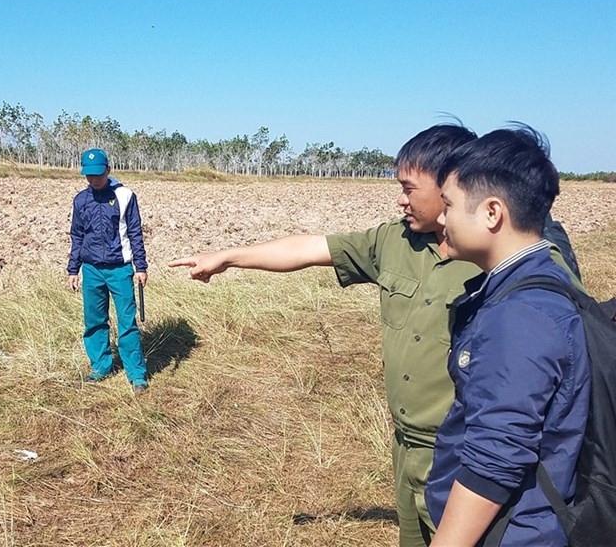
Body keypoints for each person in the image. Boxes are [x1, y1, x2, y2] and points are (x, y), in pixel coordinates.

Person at [169, 124, 581, 547]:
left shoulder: (510, 272)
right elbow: (307, 249)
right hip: (408, 448)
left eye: (409, 188)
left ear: (450, 186)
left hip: (465, 452)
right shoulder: (394, 240)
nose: (401, 199)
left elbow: (503, 445)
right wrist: (228, 257)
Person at [425, 125, 590, 546]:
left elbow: (494, 461)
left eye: (449, 205)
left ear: (492, 212)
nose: (441, 219)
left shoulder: (519, 315)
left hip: (512, 533)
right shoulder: (543, 281)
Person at [67, 148, 149, 394]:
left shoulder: (125, 196)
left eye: (98, 174)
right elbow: (77, 236)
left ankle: (136, 374)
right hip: (91, 270)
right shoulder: (81, 200)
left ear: (108, 170)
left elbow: (135, 232)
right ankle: (101, 366)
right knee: (94, 322)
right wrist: (73, 269)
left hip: (120, 269)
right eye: (89, 175)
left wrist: (141, 266)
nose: (94, 179)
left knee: (127, 322)